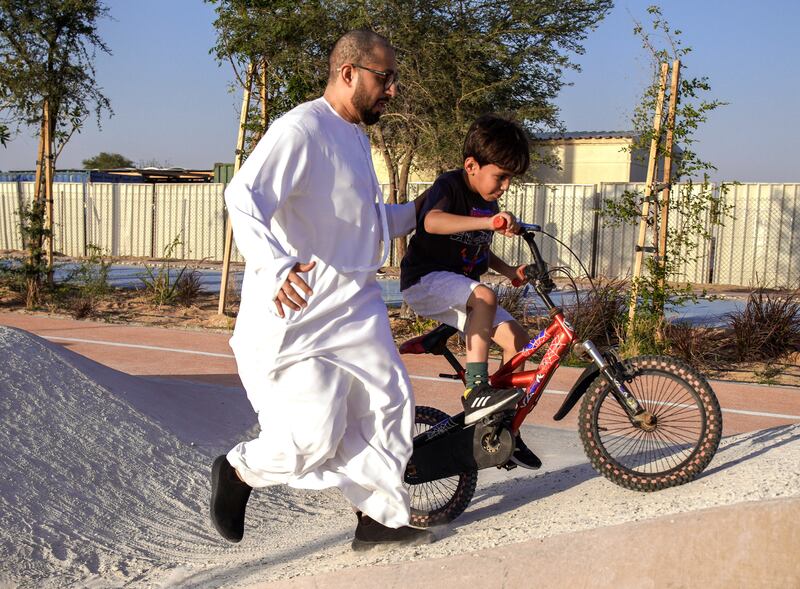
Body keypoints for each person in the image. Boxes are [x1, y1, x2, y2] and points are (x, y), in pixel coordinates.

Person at [210, 29, 434, 551]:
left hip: (355, 305)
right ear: (349, 73)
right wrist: (276, 264)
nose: (393, 90)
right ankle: (239, 471)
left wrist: (425, 211)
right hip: (299, 313)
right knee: (310, 435)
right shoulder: (302, 129)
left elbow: (365, 221)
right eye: (386, 77)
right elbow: (242, 197)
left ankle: (378, 516)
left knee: (390, 406)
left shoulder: (356, 135)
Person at [400, 114, 541, 469]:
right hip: (425, 280)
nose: (505, 185)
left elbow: (479, 246)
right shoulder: (449, 185)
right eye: (501, 176)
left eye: (510, 179)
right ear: (471, 165)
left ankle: (501, 429)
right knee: (484, 296)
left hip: (460, 288)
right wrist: (487, 221)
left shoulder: (488, 201)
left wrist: (509, 270)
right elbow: (432, 221)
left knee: (518, 340)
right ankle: (476, 391)